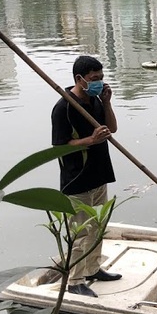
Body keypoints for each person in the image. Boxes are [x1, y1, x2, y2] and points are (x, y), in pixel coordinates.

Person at [51, 55, 121, 297]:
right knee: (80, 233)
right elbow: (59, 146)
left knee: (98, 227)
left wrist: (108, 103)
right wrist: (90, 140)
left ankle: (92, 269)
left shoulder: (96, 100)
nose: (99, 82)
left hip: (99, 174)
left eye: (101, 78)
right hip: (77, 179)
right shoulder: (64, 108)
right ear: (79, 79)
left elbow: (111, 129)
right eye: (94, 79)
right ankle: (75, 280)